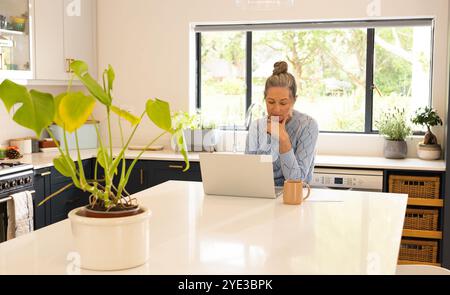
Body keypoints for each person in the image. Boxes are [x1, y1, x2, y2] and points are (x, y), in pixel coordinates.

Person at [245, 61, 319, 186]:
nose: (276, 109)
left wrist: (284, 140)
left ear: (294, 100)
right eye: (271, 102)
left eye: (283, 103)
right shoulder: (257, 126)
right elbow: (248, 173)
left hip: (293, 198)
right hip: (262, 196)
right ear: (265, 99)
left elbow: (297, 181)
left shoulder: (307, 126)